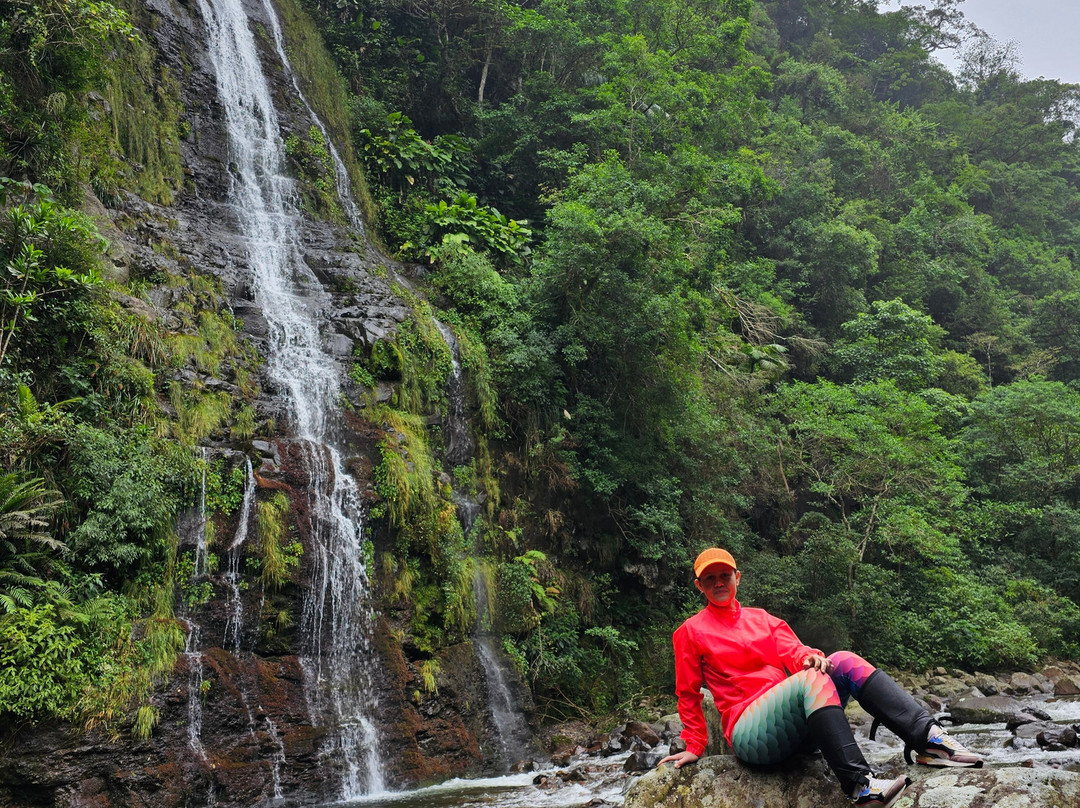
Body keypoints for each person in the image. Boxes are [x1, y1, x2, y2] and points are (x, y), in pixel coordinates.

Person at [657, 548, 982, 808]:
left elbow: (795, 651)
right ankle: (860, 785)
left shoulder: (763, 619)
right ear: (699, 585)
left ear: (737, 578)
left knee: (842, 660)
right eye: (710, 578)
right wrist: (695, 746)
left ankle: (928, 741)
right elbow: (687, 693)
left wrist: (809, 658)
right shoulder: (690, 632)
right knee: (809, 679)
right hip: (749, 732)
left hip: (796, 728)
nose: (718, 582)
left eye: (724, 575)